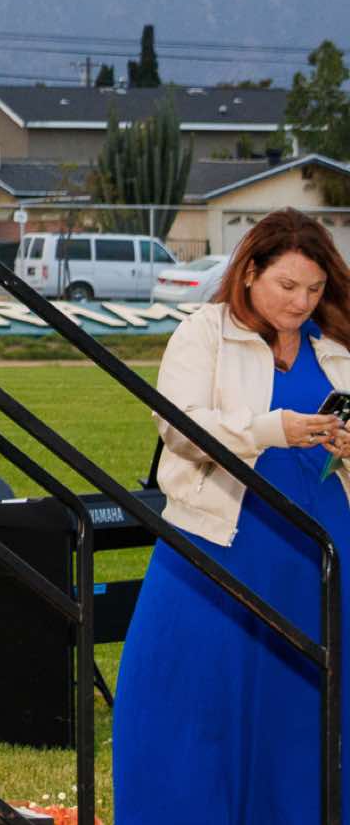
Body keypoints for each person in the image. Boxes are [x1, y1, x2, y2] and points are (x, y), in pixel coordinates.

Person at [113, 207, 350, 823]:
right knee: (193, 701)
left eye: (315, 289)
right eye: (287, 285)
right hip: (222, 544)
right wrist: (273, 430)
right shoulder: (204, 333)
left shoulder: (334, 345)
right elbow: (179, 427)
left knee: (306, 709)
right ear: (249, 272)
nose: (302, 302)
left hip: (324, 547)